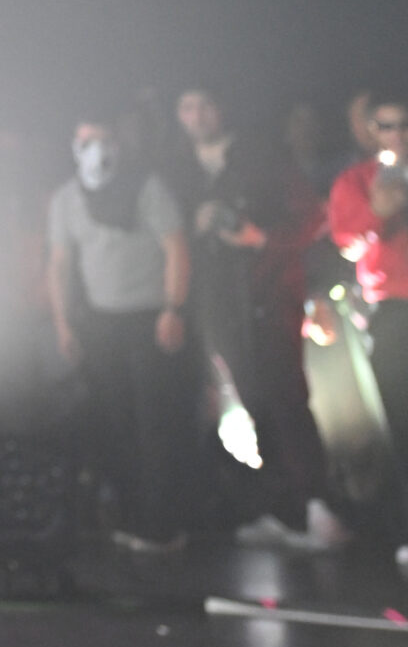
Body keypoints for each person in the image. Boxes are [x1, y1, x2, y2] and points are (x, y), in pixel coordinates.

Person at [172, 88, 341, 549]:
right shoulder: (180, 171)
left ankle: (317, 506)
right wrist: (197, 222)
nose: (198, 116)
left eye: (206, 104)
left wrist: (260, 237)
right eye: (187, 108)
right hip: (219, 302)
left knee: (286, 395)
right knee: (253, 401)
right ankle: (284, 508)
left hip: (269, 293)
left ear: (223, 107)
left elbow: (312, 217)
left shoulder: (263, 158)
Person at [46, 118, 198, 553]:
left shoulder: (146, 188)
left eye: (105, 139)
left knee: (156, 422)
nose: (97, 149)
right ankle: (130, 517)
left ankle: (162, 525)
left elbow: (176, 246)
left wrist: (174, 308)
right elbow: (59, 263)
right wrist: (63, 323)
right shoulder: (66, 199)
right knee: (115, 421)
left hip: (149, 318)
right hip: (100, 322)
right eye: (87, 140)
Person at [327, 96, 408, 559]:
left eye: (403, 125)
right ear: (371, 130)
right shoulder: (354, 181)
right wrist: (379, 208)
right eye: (386, 126)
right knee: (401, 421)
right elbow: (346, 243)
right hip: (392, 309)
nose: (396, 135)